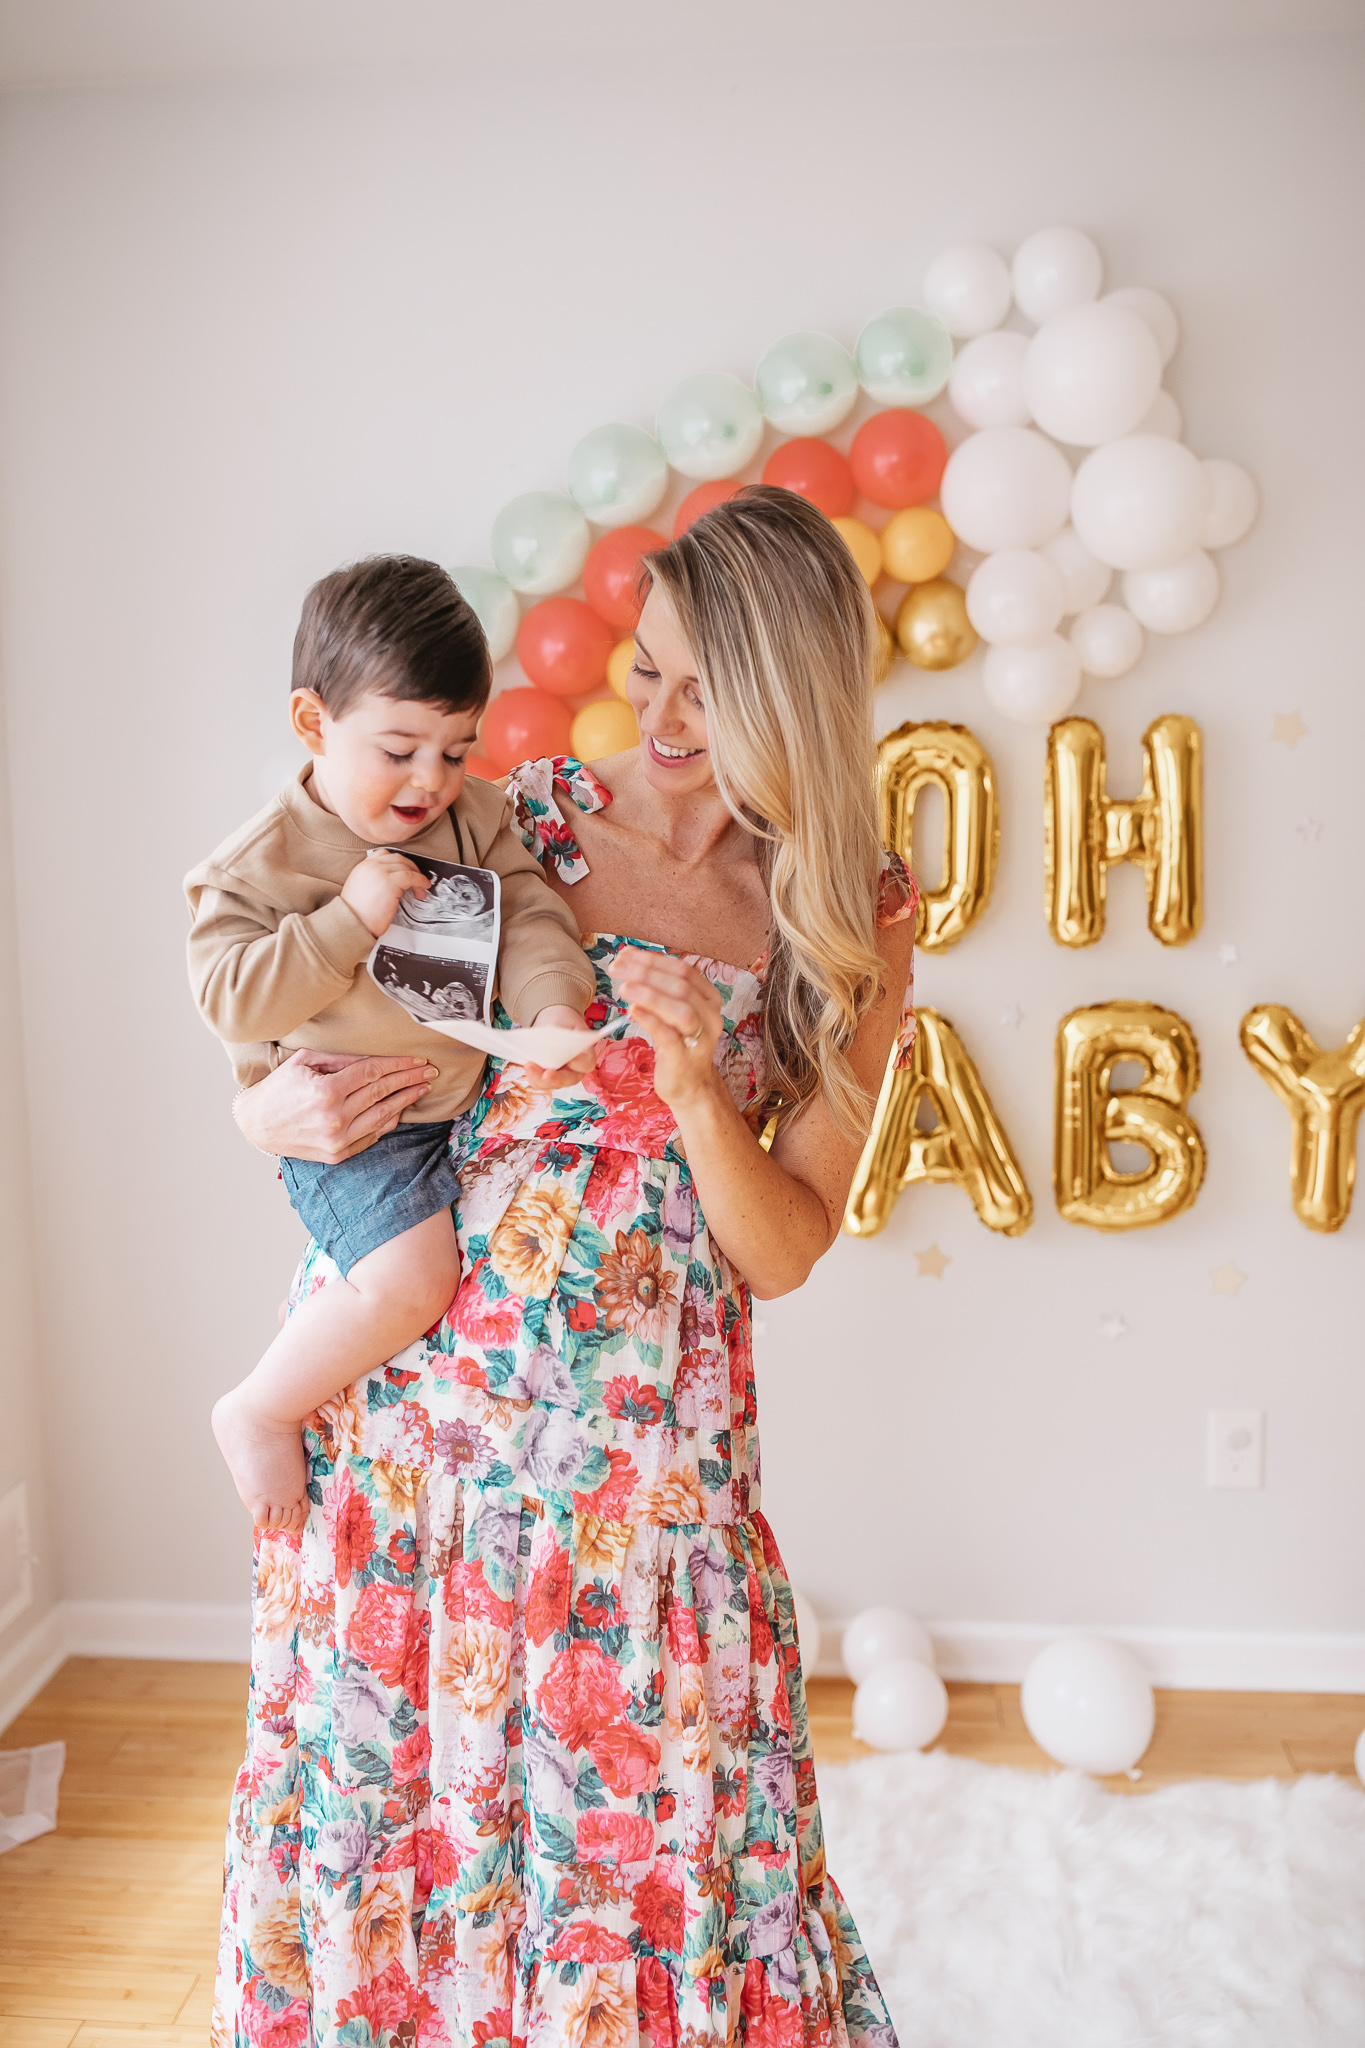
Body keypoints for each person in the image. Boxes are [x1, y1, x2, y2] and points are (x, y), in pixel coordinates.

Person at [215, 489, 916, 2047]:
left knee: (665, 1863)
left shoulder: (845, 920)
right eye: (645, 670)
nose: (655, 718)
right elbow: (286, 1005)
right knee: (402, 1835)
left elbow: (789, 1244)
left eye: (702, 692)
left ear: (791, 702)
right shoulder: (500, 819)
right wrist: (262, 1102)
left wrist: (687, 1089)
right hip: (415, 1444)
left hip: (644, 1482)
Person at [185, 557, 597, 1532]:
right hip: (359, 1127)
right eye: (401, 748)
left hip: (458, 1112)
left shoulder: (474, 818)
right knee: (414, 1282)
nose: (431, 781)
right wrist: (346, 922)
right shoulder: (259, 864)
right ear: (313, 723)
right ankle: (258, 1405)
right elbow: (230, 999)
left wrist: (551, 1008)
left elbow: (534, 917)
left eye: (456, 749)